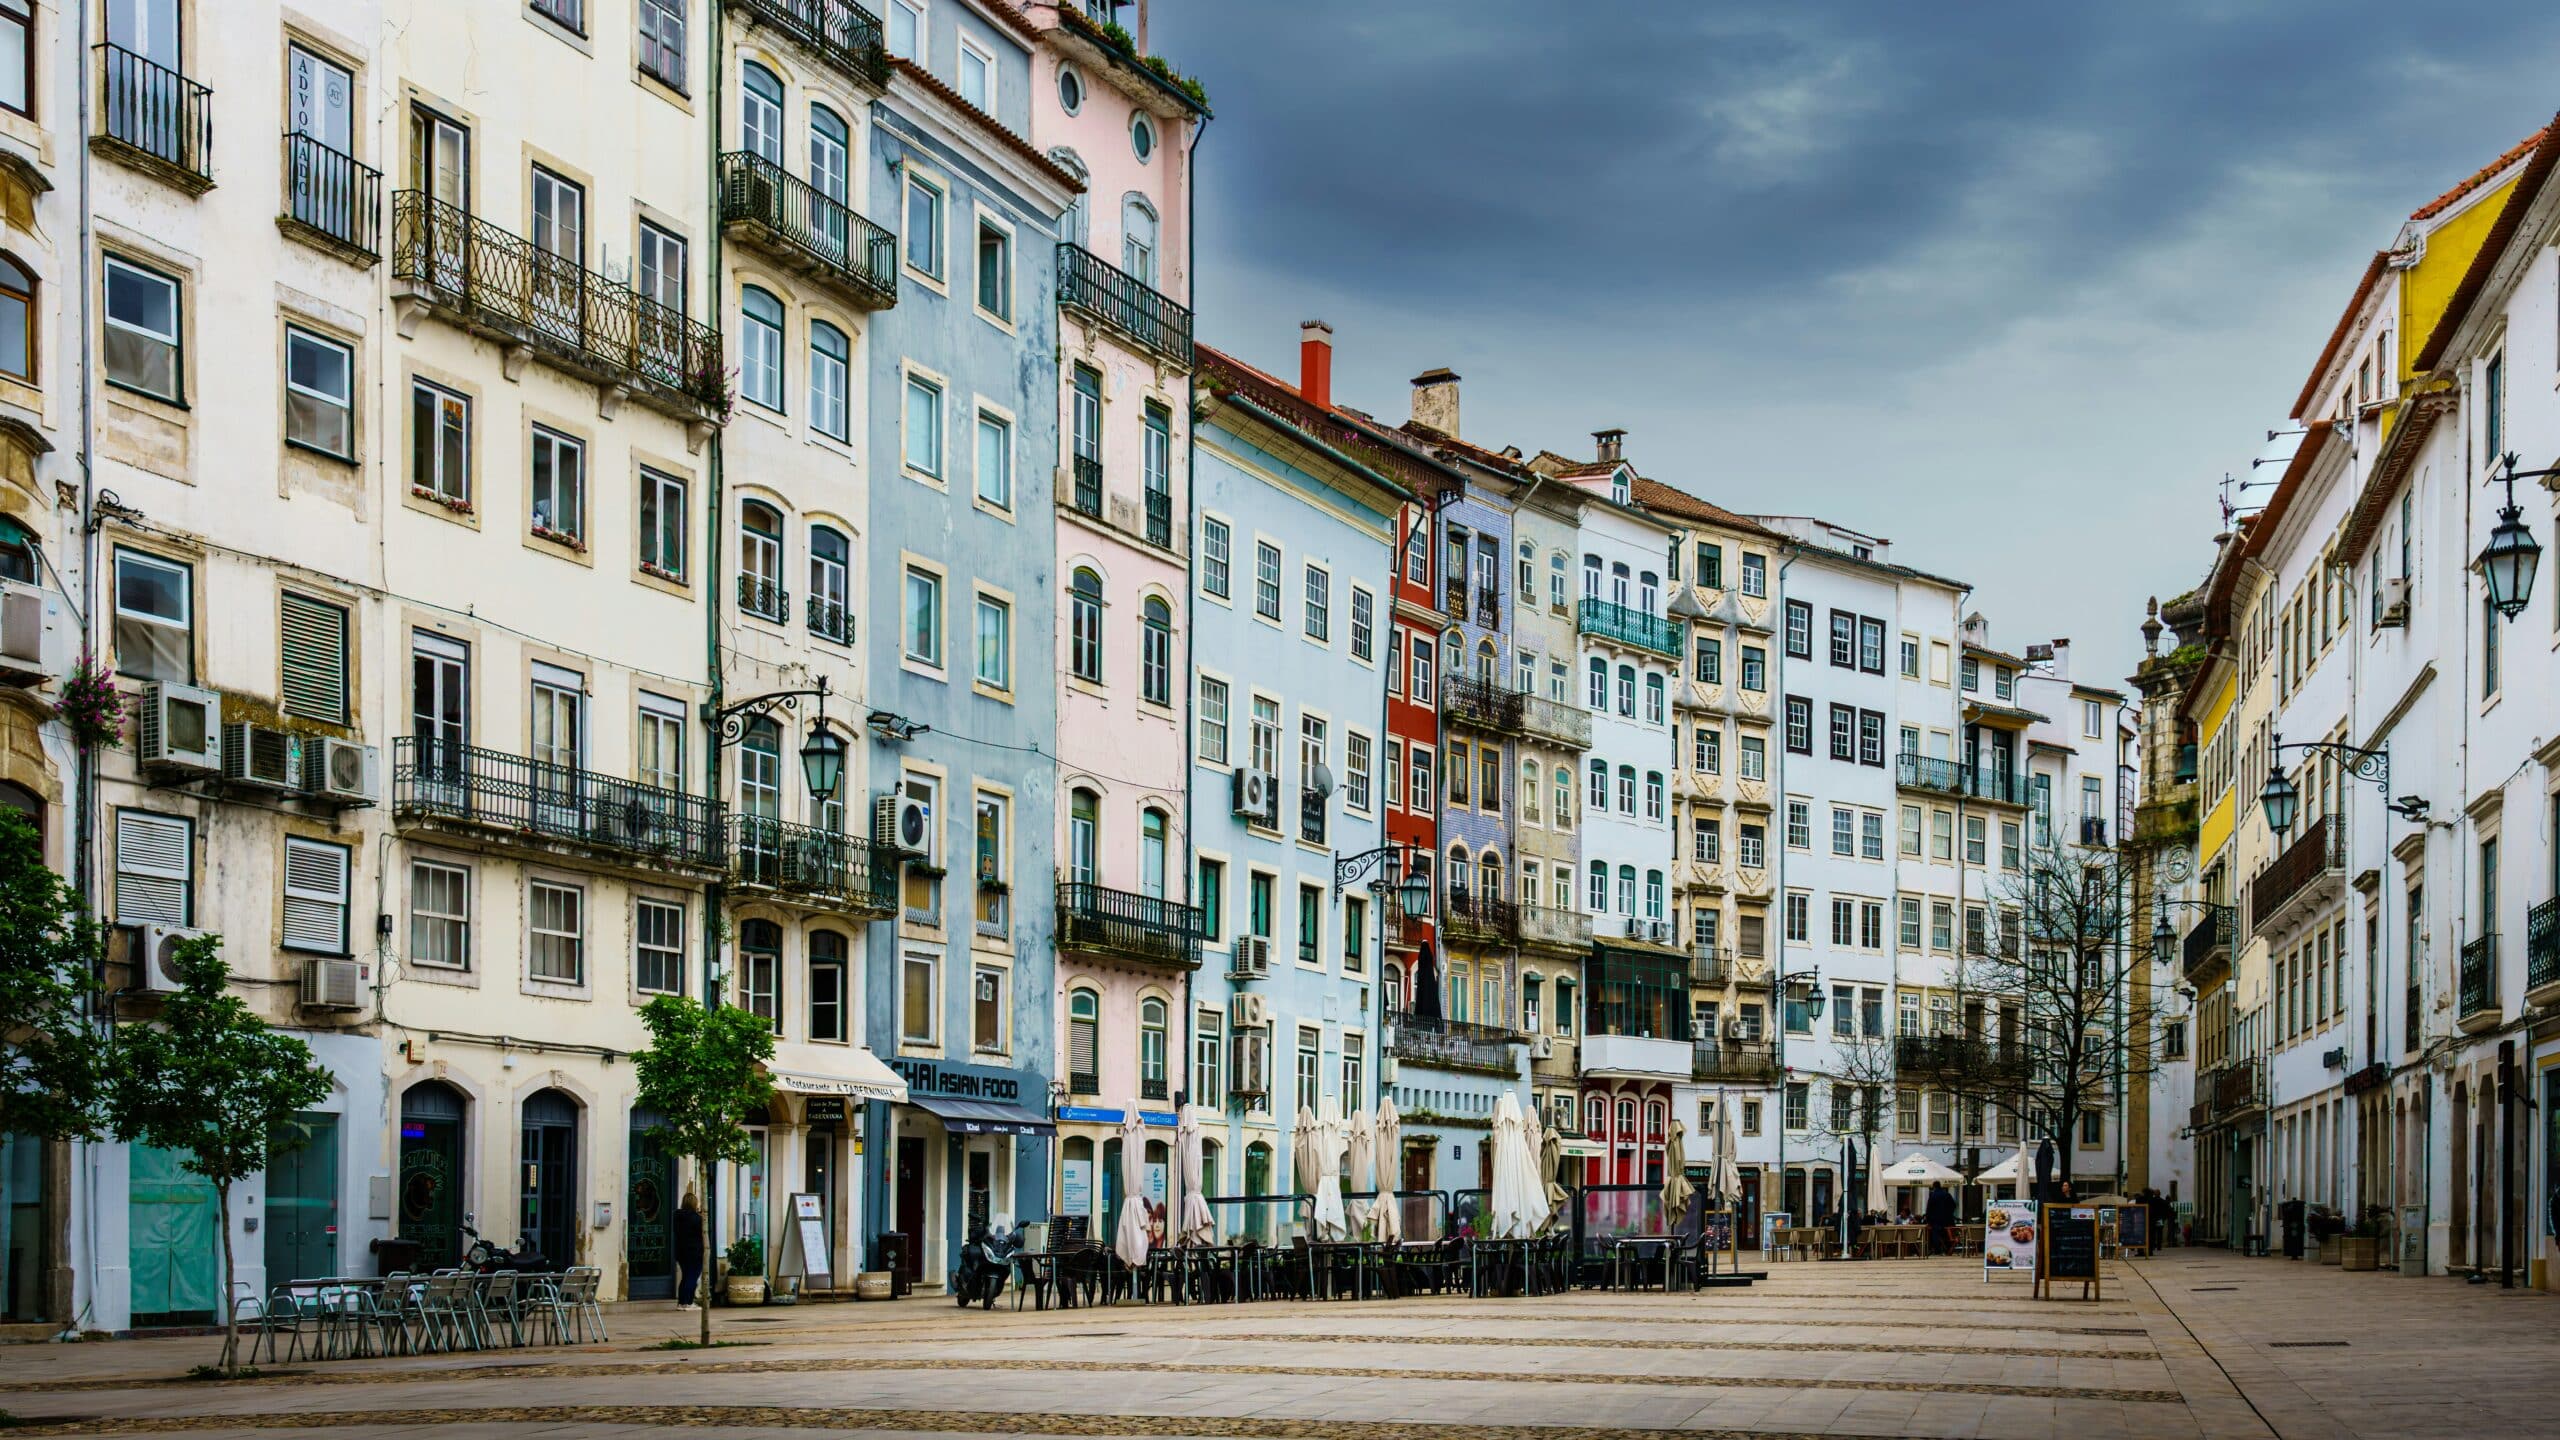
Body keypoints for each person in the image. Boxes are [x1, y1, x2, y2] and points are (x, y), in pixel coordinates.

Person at [674, 1189, 706, 1311]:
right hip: (695, 1252)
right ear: (695, 1203)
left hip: (681, 1252)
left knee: (686, 1276)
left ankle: (681, 1302)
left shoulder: (677, 1216)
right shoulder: (697, 1219)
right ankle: (688, 1302)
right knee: (692, 1277)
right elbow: (704, 1234)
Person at [1924, 1181, 1957, 1256]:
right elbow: (1953, 1205)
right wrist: (1949, 1213)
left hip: (1935, 1219)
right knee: (1946, 1234)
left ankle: (1937, 1250)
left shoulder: (1933, 1195)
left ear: (1934, 1186)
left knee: (1936, 1234)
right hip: (1947, 1219)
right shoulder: (1947, 1194)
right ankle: (1947, 1249)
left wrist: (1928, 1219)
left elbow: (1929, 1208)